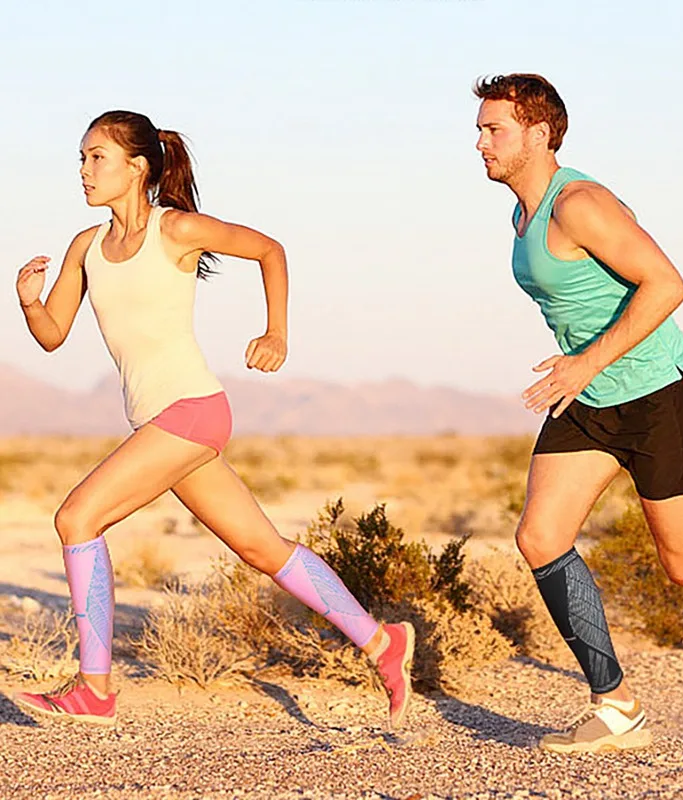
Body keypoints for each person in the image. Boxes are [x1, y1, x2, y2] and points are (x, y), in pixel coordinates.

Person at [14, 110, 414, 728]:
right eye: (82, 159)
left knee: (77, 518)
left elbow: (269, 250)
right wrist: (28, 302)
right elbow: (52, 334)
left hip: (192, 410)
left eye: (97, 158)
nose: (85, 171)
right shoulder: (86, 247)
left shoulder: (176, 230)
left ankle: (94, 688)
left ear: (137, 167)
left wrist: (276, 332)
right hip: (161, 420)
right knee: (261, 547)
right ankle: (382, 641)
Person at [474, 73, 683, 754]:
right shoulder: (523, 216)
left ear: (540, 133)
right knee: (540, 537)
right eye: (480, 130)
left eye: (494, 129)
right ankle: (615, 708)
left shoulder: (580, 205)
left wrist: (585, 361)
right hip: (590, 398)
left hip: (657, 395)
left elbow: (668, 284)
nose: (481, 143)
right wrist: (584, 370)